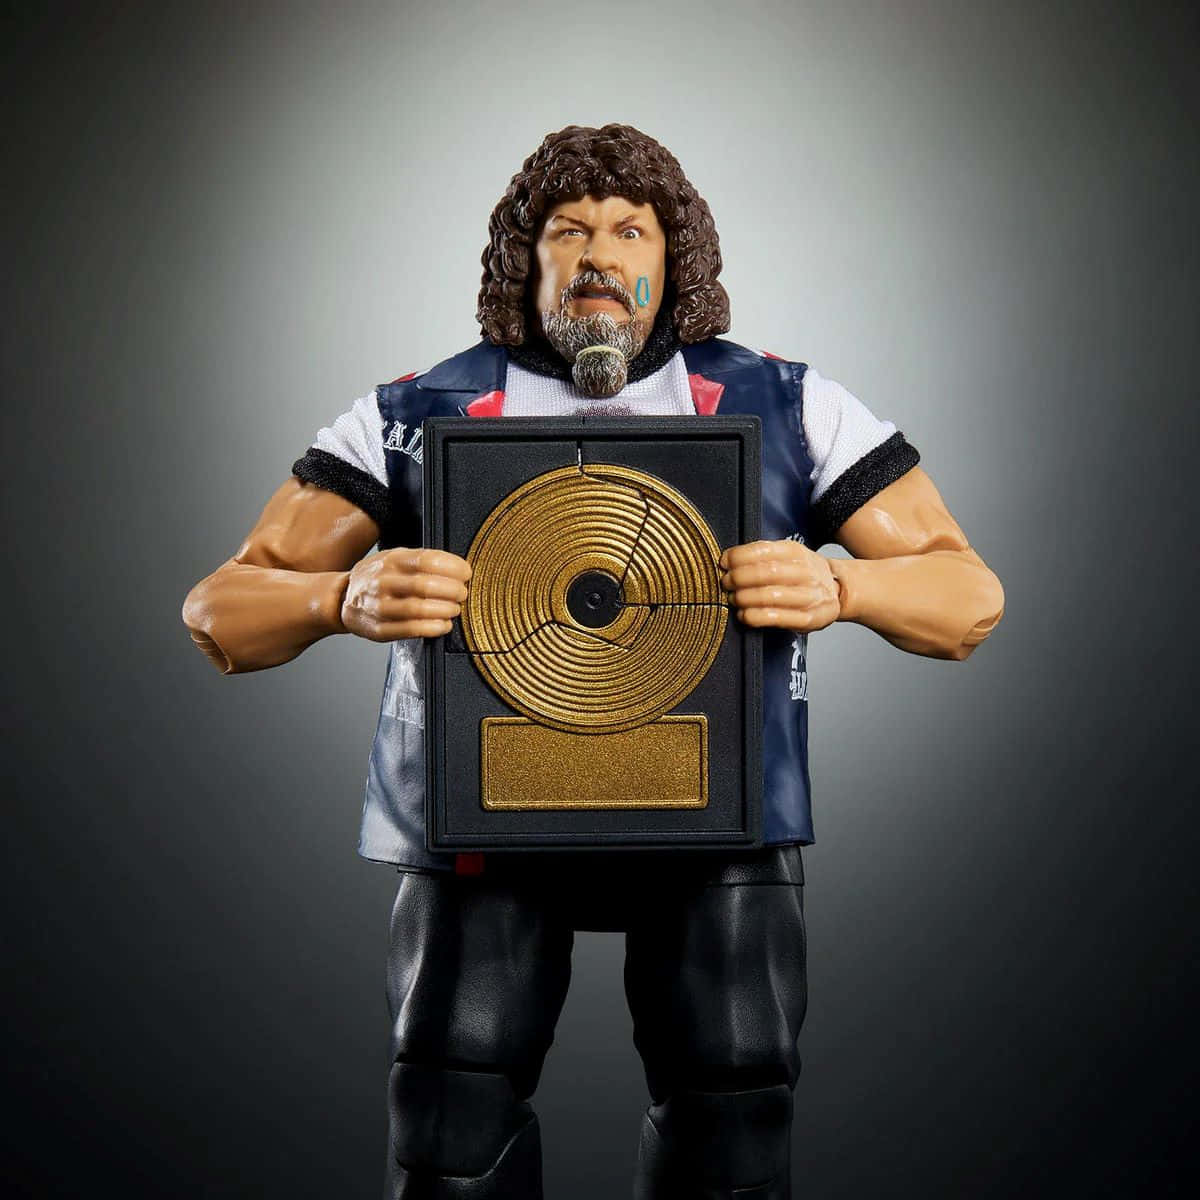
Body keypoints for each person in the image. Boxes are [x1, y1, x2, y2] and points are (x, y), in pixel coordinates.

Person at [183, 123, 1004, 1199]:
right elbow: (220, 611)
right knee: (450, 1117)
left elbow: (968, 596)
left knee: (735, 1112)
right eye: (569, 230)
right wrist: (338, 597)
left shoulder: (787, 403)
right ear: (523, 258)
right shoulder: (415, 412)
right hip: (485, 812)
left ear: (675, 256)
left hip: (714, 807)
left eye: (630, 230)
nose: (599, 256)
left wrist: (843, 588)